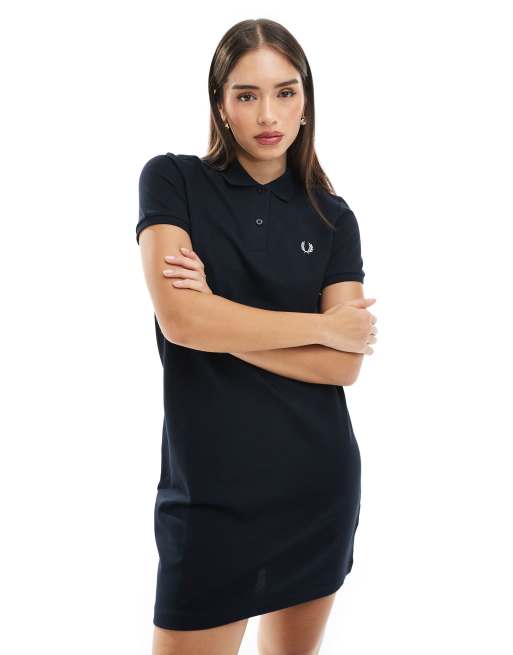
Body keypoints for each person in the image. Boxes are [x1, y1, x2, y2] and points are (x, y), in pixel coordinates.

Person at [136, 18, 377, 655]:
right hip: (207, 497)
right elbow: (181, 322)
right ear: (221, 104)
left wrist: (216, 319)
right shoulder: (173, 181)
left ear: (306, 100)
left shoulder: (333, 216)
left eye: (285, 92)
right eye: (247, 95)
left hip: (315, 489)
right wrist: (323, 327)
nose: (268, 114)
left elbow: (342, 367)